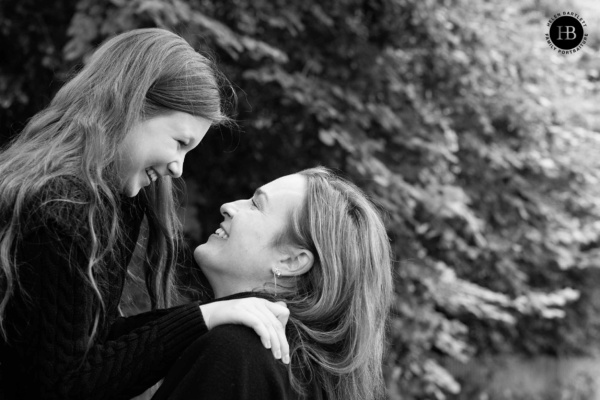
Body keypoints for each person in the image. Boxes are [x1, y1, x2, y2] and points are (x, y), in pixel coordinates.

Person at [0, 28, 291, 400]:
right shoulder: (60, 208)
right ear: (129, 107)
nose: (178, 168)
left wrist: (211, 314)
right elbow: (62, 387)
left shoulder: (114, 202)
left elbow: (89, 346)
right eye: (179, 143)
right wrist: (202, 319)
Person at [151, 167, 393, 400]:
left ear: (291, 261)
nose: (228, 206)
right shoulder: (306, 376)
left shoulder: (237, 353)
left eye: (256, 204)